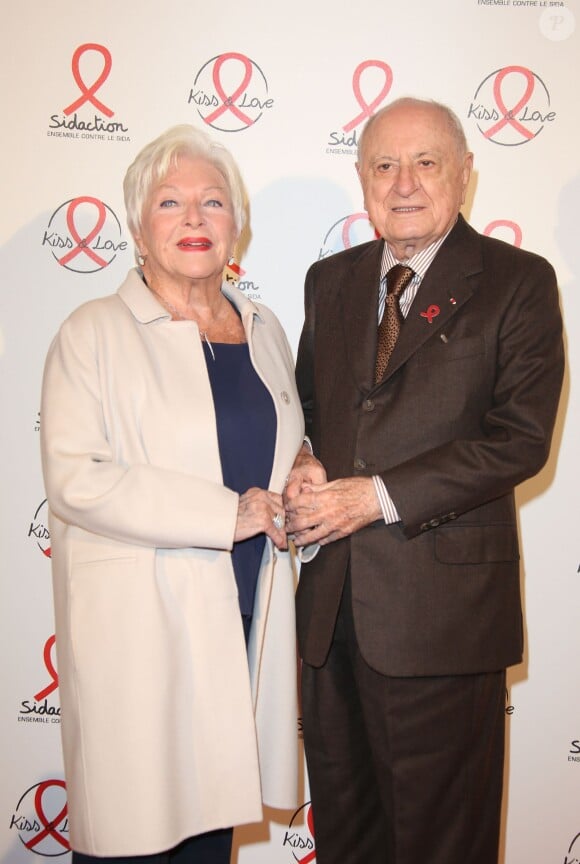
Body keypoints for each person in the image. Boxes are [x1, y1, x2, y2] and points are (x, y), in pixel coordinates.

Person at [285, 97, 564, 864]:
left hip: (443, 625)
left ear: (466, 175)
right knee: (349, 839)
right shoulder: (328, 281)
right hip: (329, 617)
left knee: (442, 847)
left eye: (426, 162)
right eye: (384, 165)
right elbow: (307, 404)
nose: (403, 183)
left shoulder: (519, 281)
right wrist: (306, 456)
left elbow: (519, 440)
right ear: (362, 178)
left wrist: (372, 496)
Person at [40, 125, 304, 864]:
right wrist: (230, 513)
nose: (194, 219)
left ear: (236, 225)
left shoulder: (266, 330)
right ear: (137, 228)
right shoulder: (92, 332)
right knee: (137, 837)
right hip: (142, 639)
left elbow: (280, 436)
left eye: (212, 202)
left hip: (243, 623)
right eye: (171, 203)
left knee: (209, 837)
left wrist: (306, 458)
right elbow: (76, 477)